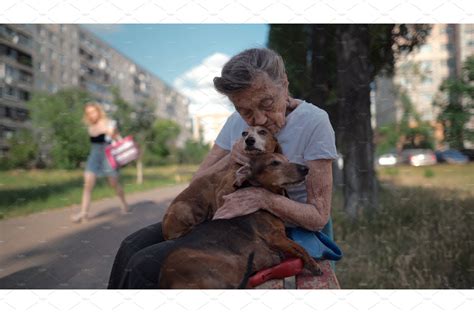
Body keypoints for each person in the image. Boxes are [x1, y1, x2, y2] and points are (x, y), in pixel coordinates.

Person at [107, 48, 337, 289]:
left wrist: (263, 199)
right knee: (131, 245)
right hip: (225, 221)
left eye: (267, 103)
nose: (257, 119)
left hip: (273, 231)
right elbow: (197, 181)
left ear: (285, 83)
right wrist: (229, 159)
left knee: (143, 267)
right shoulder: (236, 124)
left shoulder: (314, 122)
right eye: (245, 110)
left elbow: (318, 217)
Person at [71, 102, 129, 223]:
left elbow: (117, 138)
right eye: (88, 113)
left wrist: (109, 131)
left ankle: (124, 203)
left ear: (98, 111)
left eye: (93, 111)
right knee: (87, 186)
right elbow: (94, 140)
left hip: (108, 156)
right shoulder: (90, 127)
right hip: (94, 156)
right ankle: (84, 214)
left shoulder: (110, 123)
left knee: (113, 183)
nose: (91, 115)